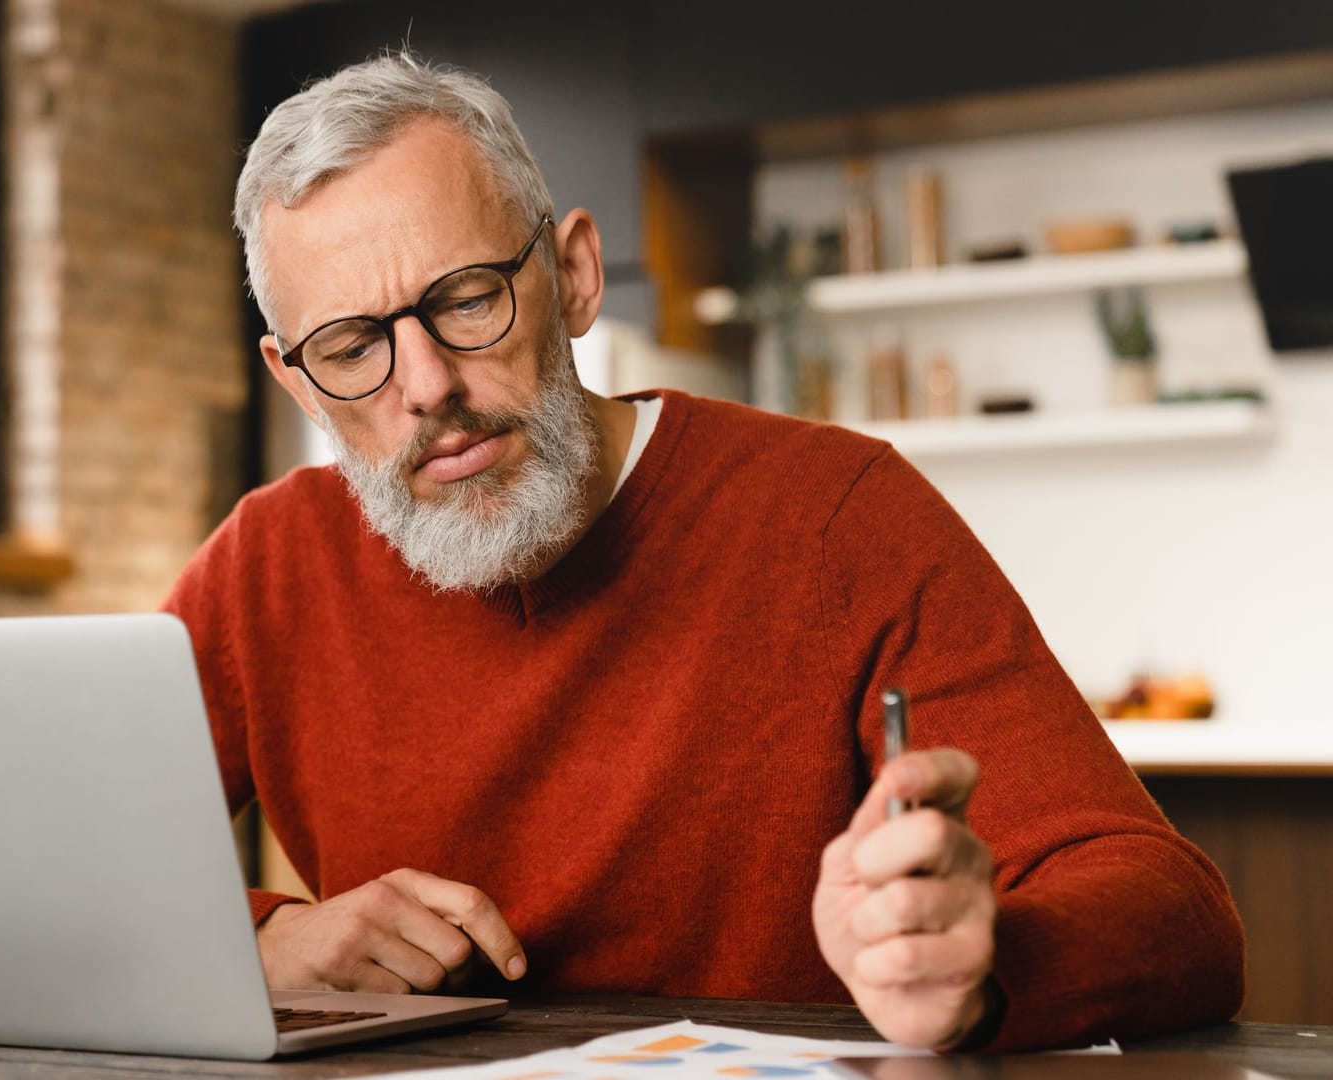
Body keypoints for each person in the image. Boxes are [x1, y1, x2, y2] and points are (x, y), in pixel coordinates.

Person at [162, 52, 1243, 1053]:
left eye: (467, 300)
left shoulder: (837, 512)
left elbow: (1173, 906)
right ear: (296, 378)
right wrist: (257, 941)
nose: (427, 386)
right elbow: (41, 877)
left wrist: (982, 964)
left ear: (577, 275)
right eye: (352, 348)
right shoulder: (268, 562)